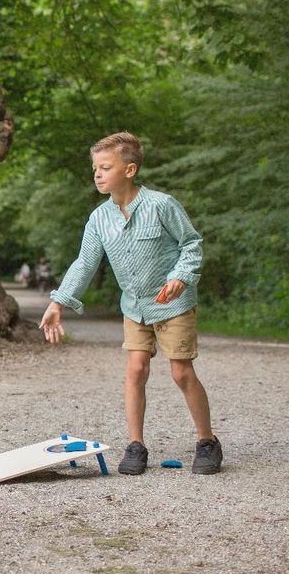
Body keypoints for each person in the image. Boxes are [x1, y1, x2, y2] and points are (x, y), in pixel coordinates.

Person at [38, 131, 223, 475]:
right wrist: (58, 302)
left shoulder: (161, 205)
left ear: (130, 169)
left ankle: (207, 441)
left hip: (173, 303)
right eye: (95, 167)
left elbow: (191, 244)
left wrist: (181, 276)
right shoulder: (99, 219)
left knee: (181, 372)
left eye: (105, 167)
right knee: (135, 369)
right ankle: (136, 445)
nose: (97, 174)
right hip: (135, 306)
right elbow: (84, 263)